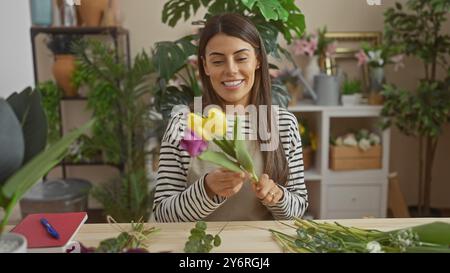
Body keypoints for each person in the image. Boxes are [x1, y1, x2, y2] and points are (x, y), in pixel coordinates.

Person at [153, 13, 308, 222]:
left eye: (241, 58)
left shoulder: (283, 124)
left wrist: (277, 198)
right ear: (205, 66)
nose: (231, 70)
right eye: (217, 61)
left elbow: (298, 209)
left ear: (258, 60)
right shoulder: (184, 124)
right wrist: (206, 190)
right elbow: (163, 214)